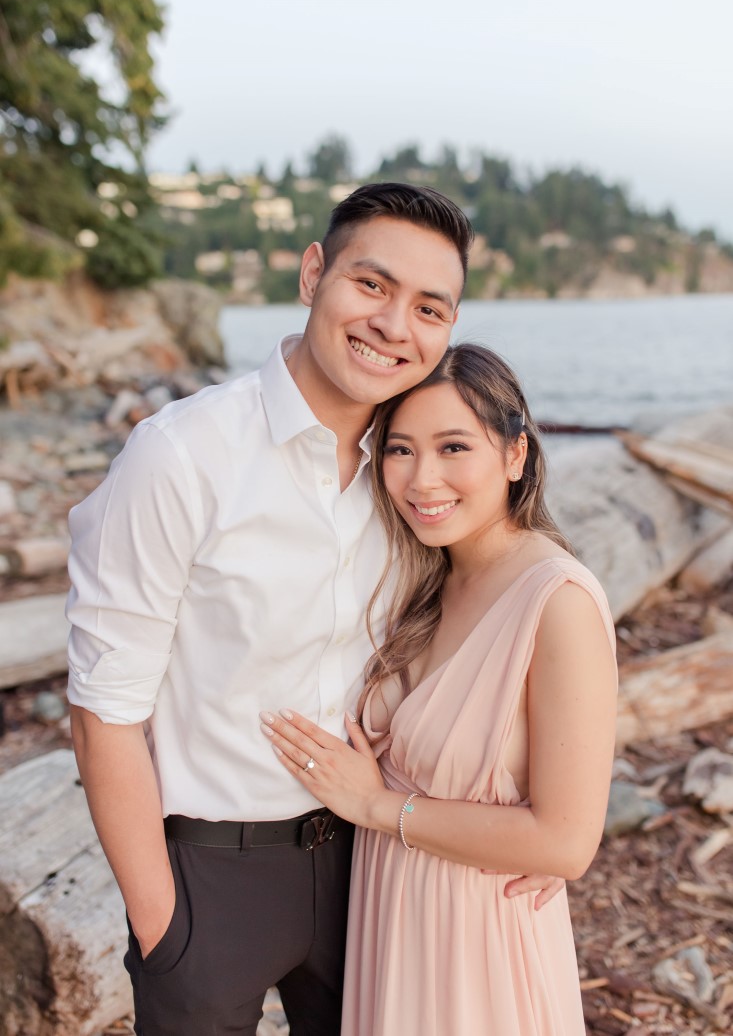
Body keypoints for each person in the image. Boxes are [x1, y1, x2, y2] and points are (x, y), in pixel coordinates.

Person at [67, 184, 562, 1036]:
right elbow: (103, 711)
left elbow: (469, 653)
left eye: (428, 307)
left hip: (372, 865)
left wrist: (518, 831)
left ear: (446, 329)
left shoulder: (410, 481)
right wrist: (164, 930)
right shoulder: (182, 456)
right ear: (312, 276)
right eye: (371, 286)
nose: (393, 324)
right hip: (209, 875)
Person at [262, 343, 618, 1036]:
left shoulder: (558, 601)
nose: (423, 480)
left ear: (515, 456)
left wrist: (375, 803)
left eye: (453, 447)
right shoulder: (420, 579)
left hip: (478, 941)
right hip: (389, 917)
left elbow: (565, 844)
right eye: (399, 450)